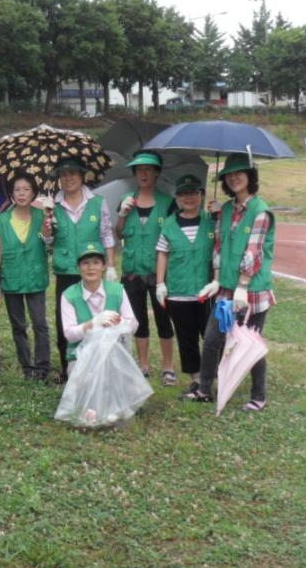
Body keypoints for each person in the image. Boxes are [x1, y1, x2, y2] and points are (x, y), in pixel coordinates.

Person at [182, 154, 276, 411]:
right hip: (225, 288)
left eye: (239, 174)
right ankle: (204, 388)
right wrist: (215, 280)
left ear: (250, 177)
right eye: (229, 175)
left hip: (251, 290)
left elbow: (253, 252)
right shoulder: (225, 210)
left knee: (249, 342)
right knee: (213, 338)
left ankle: (259, 396)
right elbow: (220, 246)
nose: (234, 179)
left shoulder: (261, 212)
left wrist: (243, 286)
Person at [42, 158, 118, 383]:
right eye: (64, 174)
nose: (69, 178)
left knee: (96, 316)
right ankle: (68, 369)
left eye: (73, 173)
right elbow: (48, 241)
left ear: (82, 176)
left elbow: (106, 234)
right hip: (66, 270)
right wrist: (46, 227)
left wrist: (111, 266)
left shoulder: (98, 202)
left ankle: (99, 366)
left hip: (93, 270)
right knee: (65, 321)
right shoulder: (52, 206)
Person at [115, 150, 177, 384]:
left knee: (163, 319)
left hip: (159, 273)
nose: (143, 174)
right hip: (132, 271)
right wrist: (122, 215)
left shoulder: (168, 203)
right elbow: (118, 233)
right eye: (139, 170)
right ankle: (143, 365)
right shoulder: (126, 200)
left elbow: (173, 237)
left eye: (148, 169)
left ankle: (168, 367)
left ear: (157, 173)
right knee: (137, 319)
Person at [0, 172, 51, 381]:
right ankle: (27, 367)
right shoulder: (2, 219)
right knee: (18, 325)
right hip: (12, 276)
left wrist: (49, 218)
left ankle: (42, 367)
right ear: (12, 194)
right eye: (17, 190)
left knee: (40, 323)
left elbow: (47, 239)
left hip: (35, 276)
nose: (22, 194)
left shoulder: (43, 216)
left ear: (34, 193)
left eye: (26, 189)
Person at [155, 175, 217, 389]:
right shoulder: (169, 224)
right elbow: (163, 253)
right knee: (186, 338)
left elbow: (221, 249)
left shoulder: (212, 221)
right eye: (183, 194)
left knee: (212, 337)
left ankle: (213, 376)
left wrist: (219, 214)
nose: (189, 198)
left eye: (193, 193)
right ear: (178, 198)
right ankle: (197, 379)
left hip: (206, 292)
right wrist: (160, 283)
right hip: (179, 292)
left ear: (201, 195)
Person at [60, 243, 137, 376]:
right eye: (85, 263)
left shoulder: (117, 290)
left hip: (115, 354)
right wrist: (93, 324)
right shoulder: (69, 295)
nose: (91, 268)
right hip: (81, 357)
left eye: (96, 262)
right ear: (78, 267)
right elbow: (69, 335)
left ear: (104, 266)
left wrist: (117, 322)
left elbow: (133, 324)